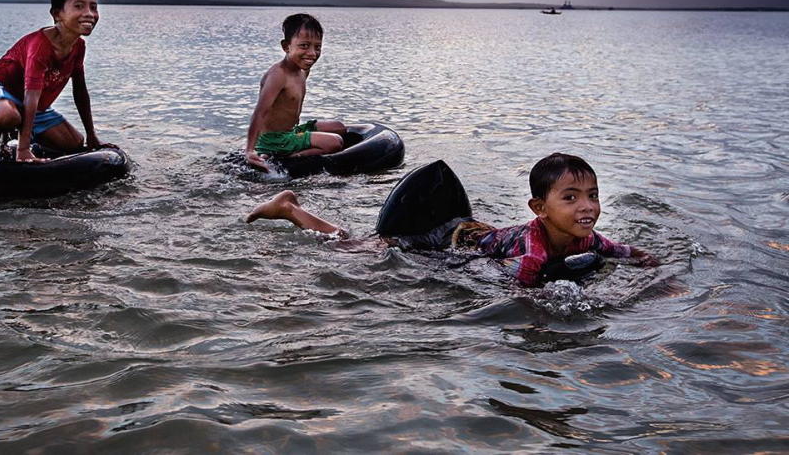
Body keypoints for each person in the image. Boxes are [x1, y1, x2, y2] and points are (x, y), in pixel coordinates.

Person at [246, 153, 659, 287]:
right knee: (358, 249)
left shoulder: (587, 237)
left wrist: (657, 272)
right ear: (539, 208)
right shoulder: (533, 248)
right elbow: (520, 288)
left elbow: (624, 250)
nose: (586, 207)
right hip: (449, 238)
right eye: (570, 198)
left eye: (592, 196)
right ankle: (290, 209)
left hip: (478, 233)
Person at [0, 0, 109, 162]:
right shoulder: (40, 45)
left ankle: (10, 138)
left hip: (32, 105)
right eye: (79, 6)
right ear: (57, 14)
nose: (89, 13)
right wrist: (23, 149)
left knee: (74, 143)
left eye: (93, 7)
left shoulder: (78, 47)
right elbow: (31, 95)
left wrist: (91, 135)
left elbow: (80, 91)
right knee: (7, 116)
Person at [244, 13, 347, 172]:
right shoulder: (278, 75)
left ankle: (293, 147)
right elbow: (260, 112)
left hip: (290, 131)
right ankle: (289, 159)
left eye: (317, 47)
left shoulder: (301, 71)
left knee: (339, 127)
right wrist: (250, 150)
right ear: (286, 47)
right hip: (275, 140)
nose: (312, 53)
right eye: (304, 46)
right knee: (336, 142)